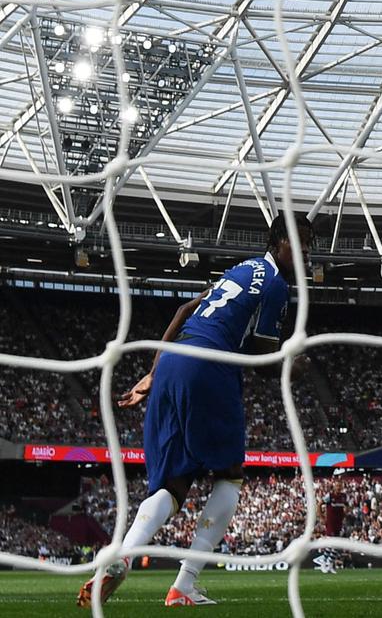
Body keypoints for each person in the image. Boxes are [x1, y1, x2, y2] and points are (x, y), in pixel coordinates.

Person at [77, 212, 314, 608]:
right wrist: (294, 363)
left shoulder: (238, 270)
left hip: (172, 363)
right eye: (298, 243)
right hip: (209, 365)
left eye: (309, 246)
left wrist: (153, 374)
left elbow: (184, 311)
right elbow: (262, 355)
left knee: (173, 484)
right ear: (277, 243)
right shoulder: (275, 285)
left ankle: (123, 556)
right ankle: (185, 583)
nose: (306, 253)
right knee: (230, 476)